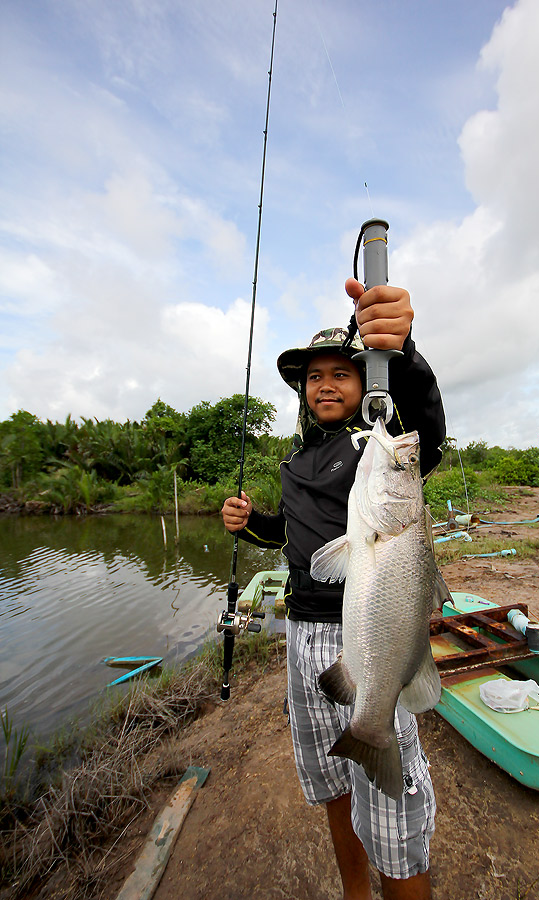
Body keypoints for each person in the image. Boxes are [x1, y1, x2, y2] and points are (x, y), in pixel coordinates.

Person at [222, 277, 446, 900]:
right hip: (304, 638)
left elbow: (425, 422)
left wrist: (401, 353)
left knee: (392, 804)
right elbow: (297, 538)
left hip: (366, 633)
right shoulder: (295, 460)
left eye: (340, 373)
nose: (325, 384)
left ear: (363, 386)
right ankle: (355, 890)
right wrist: (255, 525)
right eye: (312, 376)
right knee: (330, 776)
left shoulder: (378, 443)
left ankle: (400, 878)